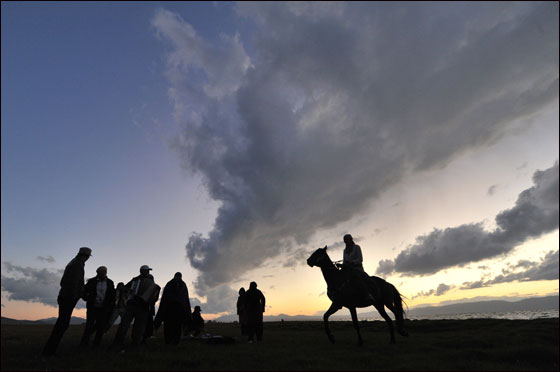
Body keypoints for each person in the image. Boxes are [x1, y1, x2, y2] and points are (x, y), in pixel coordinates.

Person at [42, 247, 92, 357]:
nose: (88, 259)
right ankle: (49, 351)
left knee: (62, 323)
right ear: (86, 256)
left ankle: (49, 350)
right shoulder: (78, 264)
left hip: (64, 295)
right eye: (88, 256)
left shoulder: (73, 262)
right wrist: (77, 296)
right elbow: (75, 282)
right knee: (62, 324)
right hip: (68, 297)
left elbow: (63, 282)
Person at [112, 265, 160, 351]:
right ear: (141, 271)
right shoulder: (135, 280)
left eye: (148, 271)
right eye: (147, 270)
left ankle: (135, 344)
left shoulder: (151, 281)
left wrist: (151, 299)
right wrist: (127, 290)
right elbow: (126, 287)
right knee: (124, 324)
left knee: (139, 327)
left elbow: (153, 294)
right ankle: (118, 343)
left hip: (143, 306)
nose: (148, 272)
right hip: (132, 305)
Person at [79, 266, 115, 348]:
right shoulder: (91, 281)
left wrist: (109, 303)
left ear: (106, 272)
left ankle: (96, 344)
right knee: (89, 325)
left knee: (101, 326)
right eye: (101, 271)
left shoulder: (110, 282)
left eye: (104, 271)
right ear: (97, 273)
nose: (103, 273)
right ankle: (84, 344)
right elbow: (84, 291)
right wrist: (87, 298)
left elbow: (112, 294)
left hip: (104, 308)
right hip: (92, 307)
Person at [154, 272, 192, 345]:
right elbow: (165, 297)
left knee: (177, 327)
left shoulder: (183, 285)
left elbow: (185, 298)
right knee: (168, 326)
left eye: (179, 276)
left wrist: (185, 310)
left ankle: (176, 342)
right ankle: (168, 341)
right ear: (174, 276)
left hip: (179, 310)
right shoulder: (169, 284)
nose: (178, 278)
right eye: (177, 276)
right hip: (169, 309)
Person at [340, 234, 375, 303]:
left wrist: (352, 262)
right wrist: (341, 265)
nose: (346, 242)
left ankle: (368, 294)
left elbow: (360, 259)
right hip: (348, 270)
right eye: (345, 241)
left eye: (347, 240)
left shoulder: (357, 247)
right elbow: (344, 261)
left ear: (351, 240)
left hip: (357, 269)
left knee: (357, 278)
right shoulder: (345, 251)